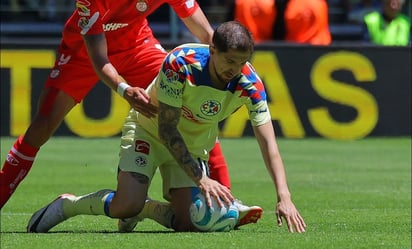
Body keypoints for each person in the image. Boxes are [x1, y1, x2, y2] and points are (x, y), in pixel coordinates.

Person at [27, 21, 307, 234]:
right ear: (212, 50)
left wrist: (284, 197)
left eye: (242, 62)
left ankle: (147, 209)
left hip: (194, 146)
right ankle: (69, 205)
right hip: (149, 131)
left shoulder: (251, 85)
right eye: (229, 60)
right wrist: (202, 178)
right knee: (126, 205)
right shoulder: (180, 63)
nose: (234, 69)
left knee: (188, 223)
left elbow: (269, 143)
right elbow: (168, 131)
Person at [0, 0, 262, 227]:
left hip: (138, 47)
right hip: (83, 54)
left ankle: (226, 197)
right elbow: (100, 59)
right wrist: (124, 90)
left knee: (186, 101)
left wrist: (234, 74)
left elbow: (207, 36)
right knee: (41, 127)